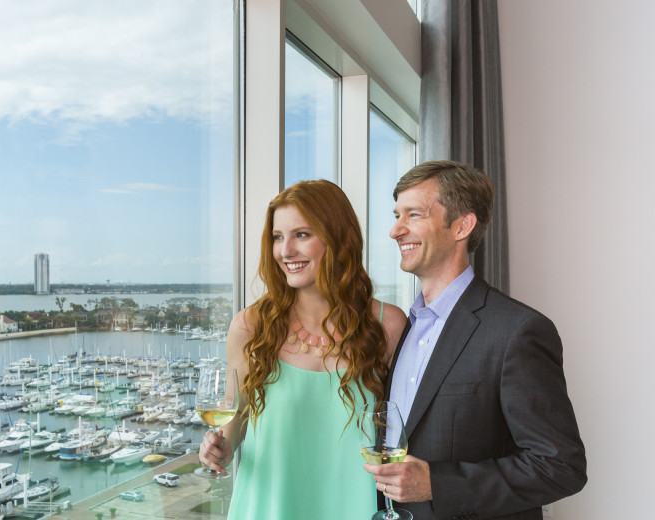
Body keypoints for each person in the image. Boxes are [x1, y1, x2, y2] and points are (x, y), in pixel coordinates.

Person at [365, 160, 587, 519]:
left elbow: (561, 466)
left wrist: (438, 483)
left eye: (414, 214)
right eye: (396, 215)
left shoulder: (518, 330)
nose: (395, 230)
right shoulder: (400, 328)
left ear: (462, 226)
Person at [199, 179, 407, 520]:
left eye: (302, 235)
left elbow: (402, 428)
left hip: (353, 507)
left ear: (339, 238)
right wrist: (219, 448)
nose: (285, 251)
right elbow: (234, 413)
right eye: (278, 238)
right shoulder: (250, 327)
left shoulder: (387, 326)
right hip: (266, 508)